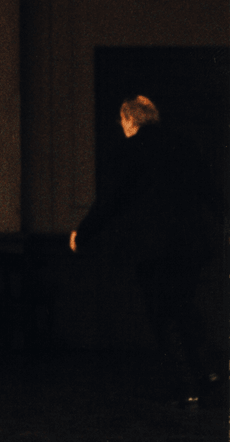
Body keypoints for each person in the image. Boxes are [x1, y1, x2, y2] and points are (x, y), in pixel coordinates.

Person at [71, 96, 222, 406]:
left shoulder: (129, 150)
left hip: (153, 248)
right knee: (184, 304)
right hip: (190, 243)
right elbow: (211, 191)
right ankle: (205, 372)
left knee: (161, 313)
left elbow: (109, 201)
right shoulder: (185, 144)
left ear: (129, 121)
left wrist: (82, 233)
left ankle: (186, 384)